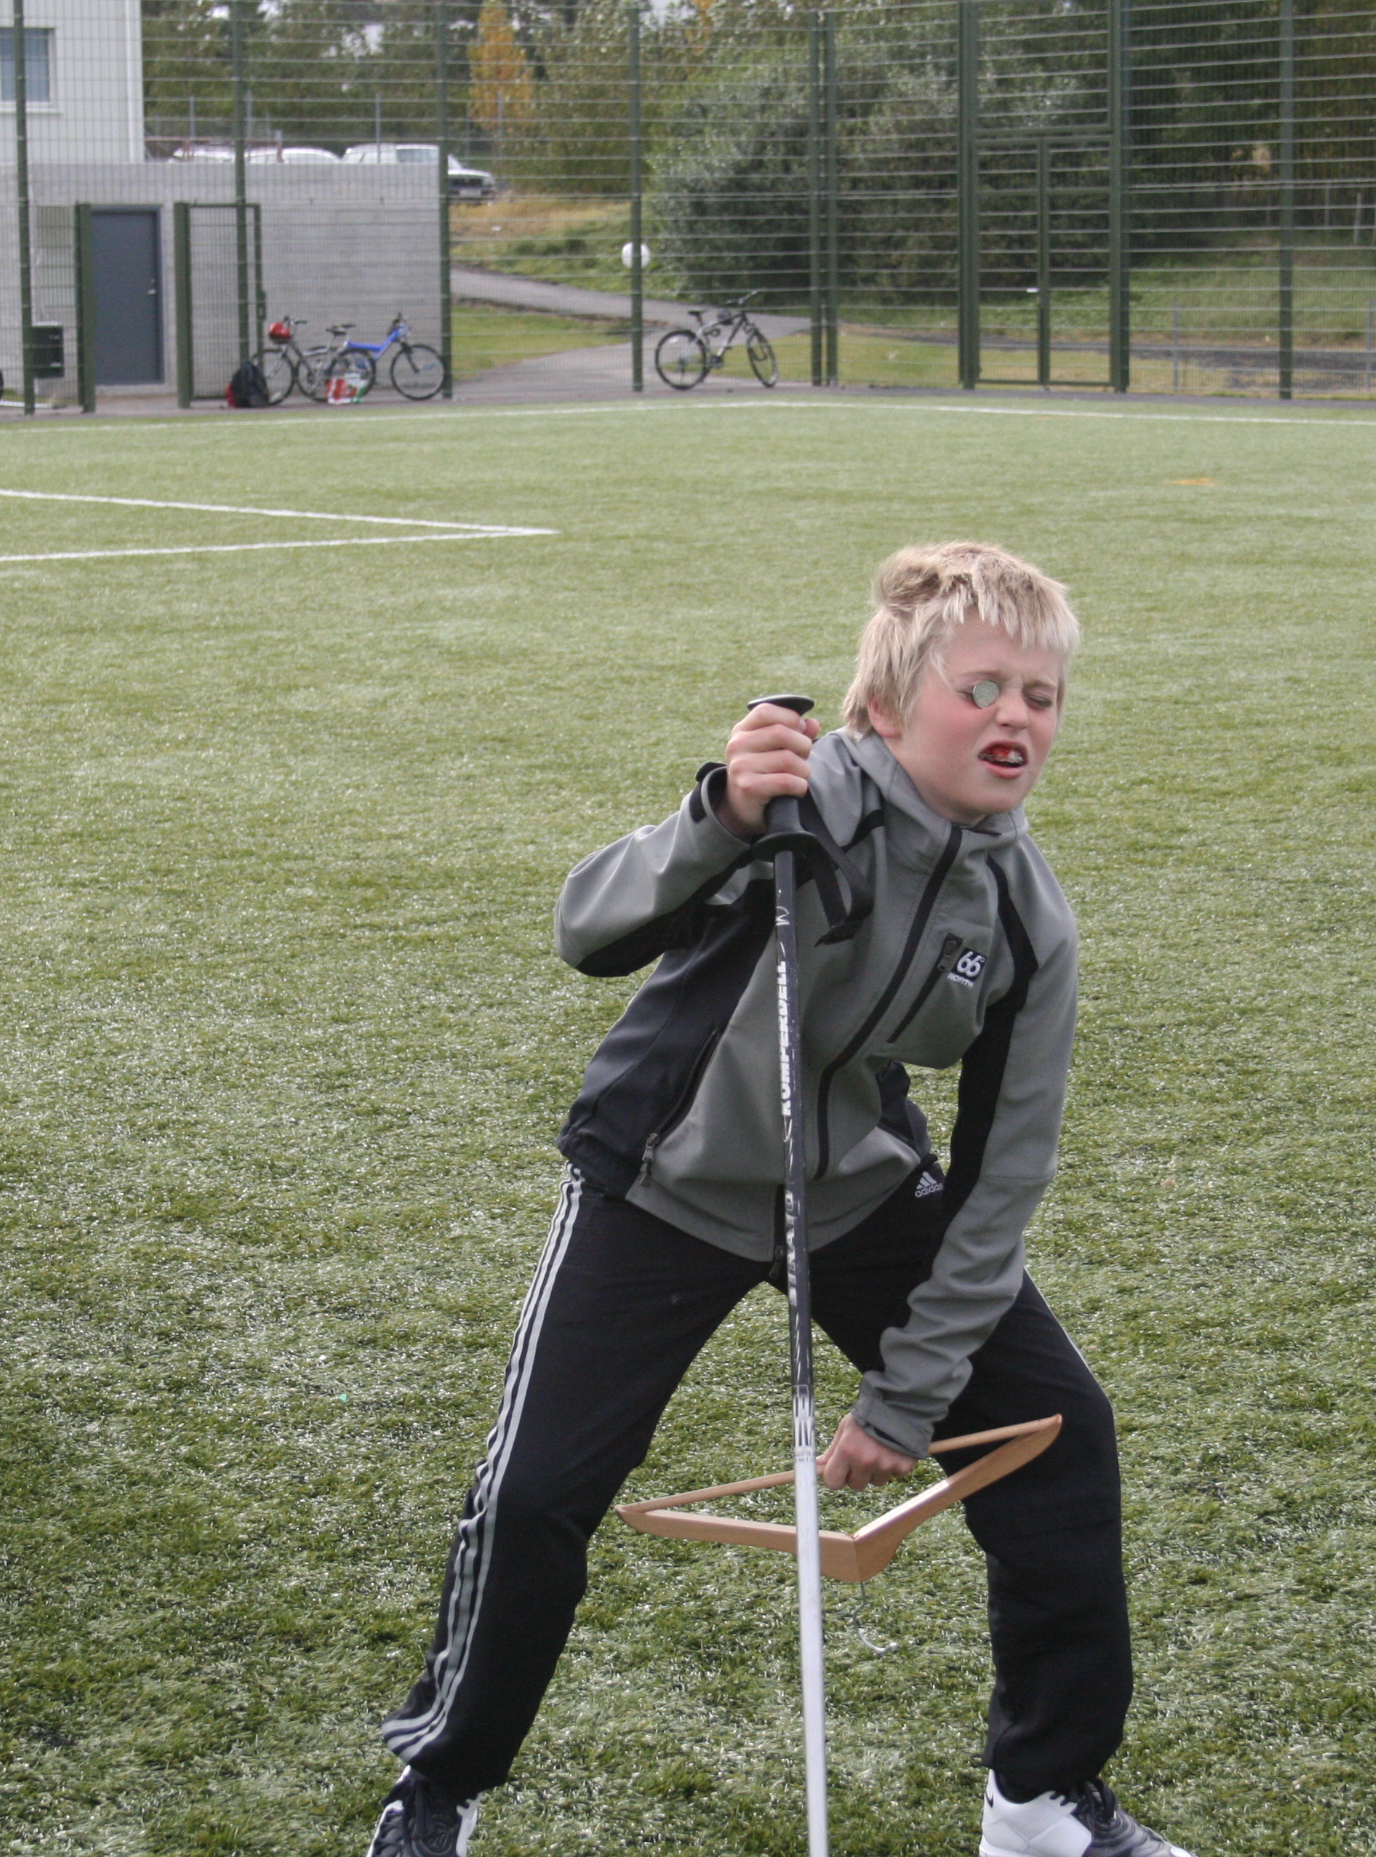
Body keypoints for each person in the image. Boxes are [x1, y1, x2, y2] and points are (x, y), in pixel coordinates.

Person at [368, 545, 1192, 1857]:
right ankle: (440, 1785)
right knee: (533, 1494)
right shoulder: (798, 799)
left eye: (1041, 696)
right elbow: (587, 929)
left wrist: (910, 1393)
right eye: (981, 688)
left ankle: (1041, 1801)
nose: (1017, 718)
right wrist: (720, 818)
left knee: (1059, 1434)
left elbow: (1000, 1181)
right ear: (886, 707)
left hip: (852, 1190)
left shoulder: (1028, 917)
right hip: (667, 1177)